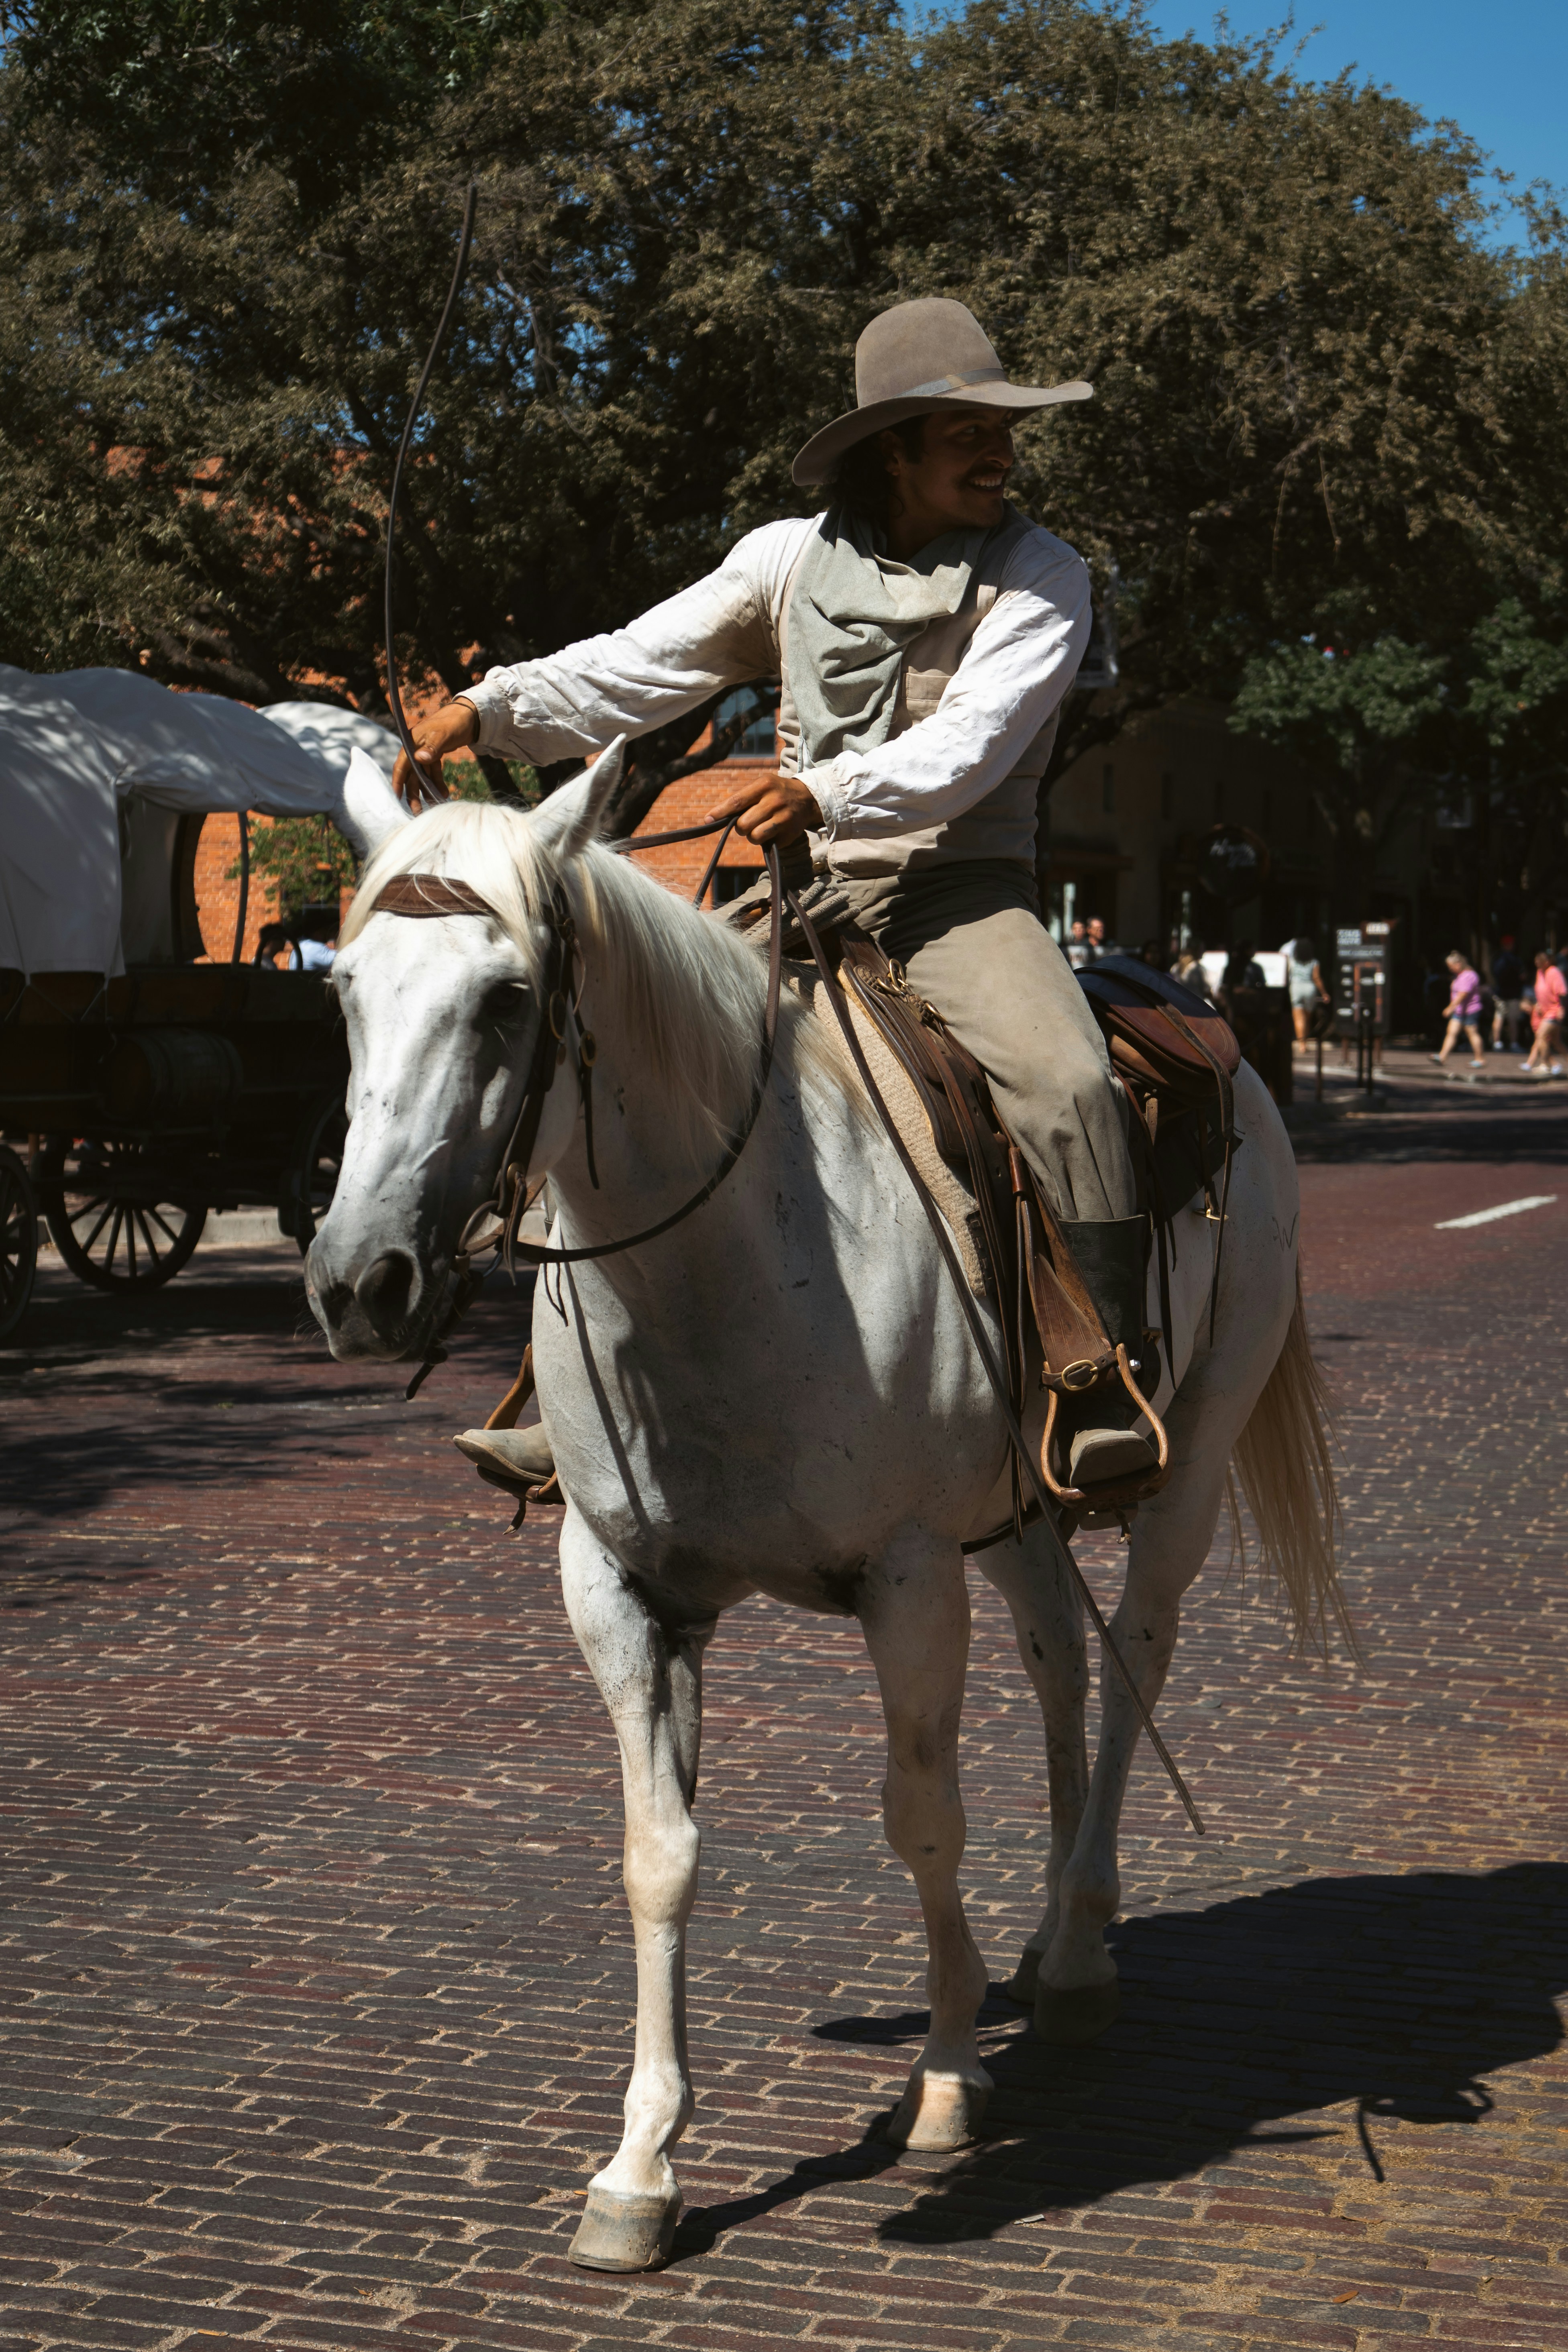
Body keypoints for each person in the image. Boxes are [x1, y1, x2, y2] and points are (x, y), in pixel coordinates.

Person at [394, 296, 1158, 1494]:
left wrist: (825, 790)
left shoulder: (1041, 574)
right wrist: (487, 708)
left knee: (1066, 1080)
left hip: (956, 893)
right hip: (801, 892)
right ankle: (572, 1380)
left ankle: (1100, 1370)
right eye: (964, 430)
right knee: (612, 1048)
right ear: (891, 449)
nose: (997, 451)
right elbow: (638, 664)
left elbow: (971, 742)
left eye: (1001, 428)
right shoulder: (783, 559)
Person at [1431, 949, 1486, 1072]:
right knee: (1451, 1032)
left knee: (1472, 1033)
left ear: (1459, 964)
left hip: (1470, 1010)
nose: (1450, 969)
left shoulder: (1469, 976)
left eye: (1451, 966)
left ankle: (1480, 1059)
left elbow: (1462, 995)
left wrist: (1450, 1008)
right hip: (1460, 1011)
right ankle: (1442, 1056)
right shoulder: (1459, 976)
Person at [1282, 936, 1330, 1049]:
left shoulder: (1292, 961)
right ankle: (1306, 1040)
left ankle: (1302, 1044)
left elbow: (1287, 976)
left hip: (1296, 988)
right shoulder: (1314, 962)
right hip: (1310, 989)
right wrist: (1324, 993)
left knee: (1299, 1018)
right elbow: (1317, 978)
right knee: (1307, 1018)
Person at [1524, 950, 1566, 1078]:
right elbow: (1541, 991)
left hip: (1554, 1011)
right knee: (1556, 1042)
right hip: (1545, 1012)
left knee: (1541, 1035)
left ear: (1547, 962)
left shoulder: (1554, 972)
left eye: (1540, 961)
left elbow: (1562, 992)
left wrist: (1562, 1008)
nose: (1537, 963)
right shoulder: (1540, 973)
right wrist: (1539, 1004)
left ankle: (1545, 1065)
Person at [1489, 939, 1524, 1052]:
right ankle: (1514, 1043)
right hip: (1513, 993)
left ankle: (1497, 1043)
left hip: (1500, 992)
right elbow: (1522, 976)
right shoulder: (1515, 959)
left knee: (1499, 1017)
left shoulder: (1497, 958)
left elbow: (1493, 973)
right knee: (1512, 1019)